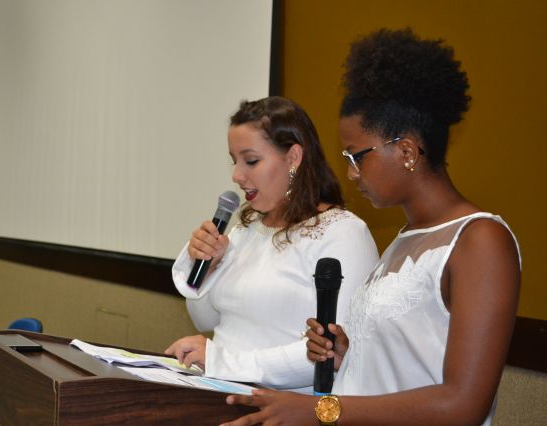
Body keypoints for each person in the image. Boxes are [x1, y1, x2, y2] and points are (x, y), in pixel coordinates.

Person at [221, 29, 521, 425]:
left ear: (407, 151)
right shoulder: (402, 241)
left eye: (357, 156)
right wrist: (348, 356)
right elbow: (404, 369)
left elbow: (464, 405)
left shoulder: (480, 240)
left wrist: (320, 410)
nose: (351, 172)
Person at [164, 96, 379, 393]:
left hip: (286, 407)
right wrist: (207, 267)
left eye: (251, 161)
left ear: (293, 158)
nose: (237, 176)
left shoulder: (342, 233)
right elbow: (204, 320)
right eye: (234, 161)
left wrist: (222, 361)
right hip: (219, 390)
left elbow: (333, 350)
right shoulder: (245, 229)